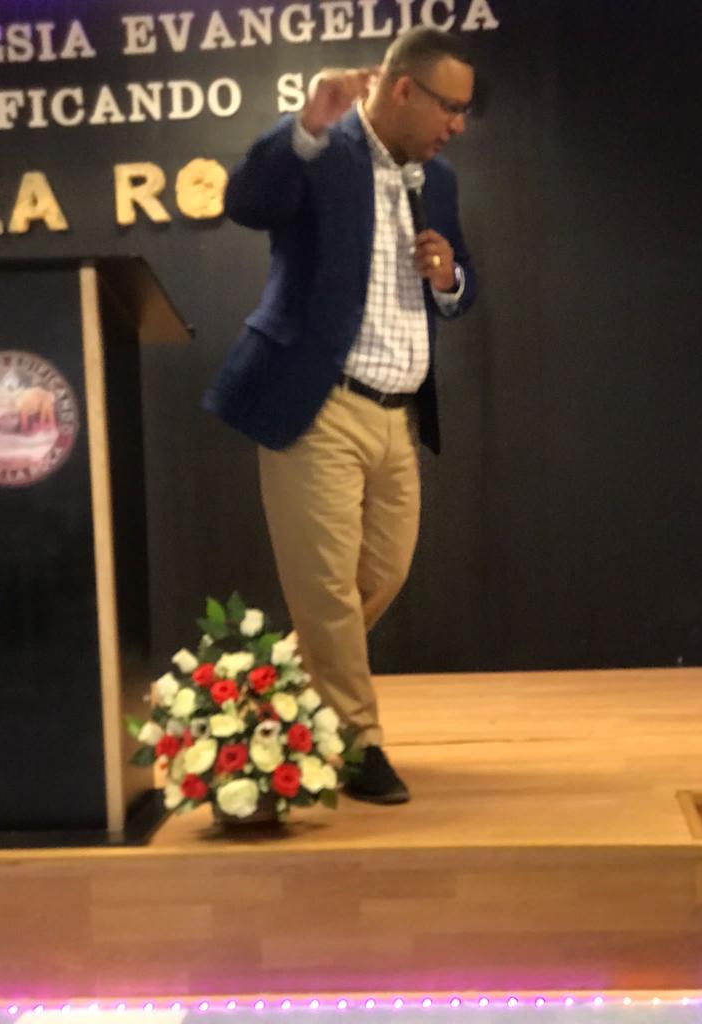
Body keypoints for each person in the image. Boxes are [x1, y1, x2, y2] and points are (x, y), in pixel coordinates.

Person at [204, 26, 477, 805]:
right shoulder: (321, 152)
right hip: (318, 405)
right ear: (404, 90)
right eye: (449, 107)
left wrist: (450, 278)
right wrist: (305, 126)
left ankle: (271, 689)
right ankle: (357, 745)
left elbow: (462, 287)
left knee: (381, 574)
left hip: (399, 418)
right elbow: (245, 201)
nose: (457, 124)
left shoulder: (438, 179)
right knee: (326, 590)